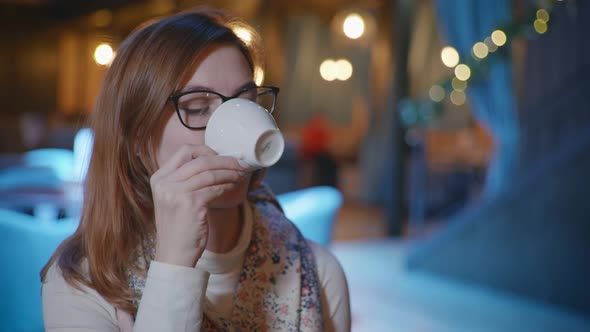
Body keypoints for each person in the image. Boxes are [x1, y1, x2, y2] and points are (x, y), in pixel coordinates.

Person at [40, 7, 350, 332]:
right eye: (198, 108)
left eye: (245, 101)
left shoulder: (315, 272)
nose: (234, 126)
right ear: (138, 139)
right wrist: (175, 263)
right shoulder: (83, 285)